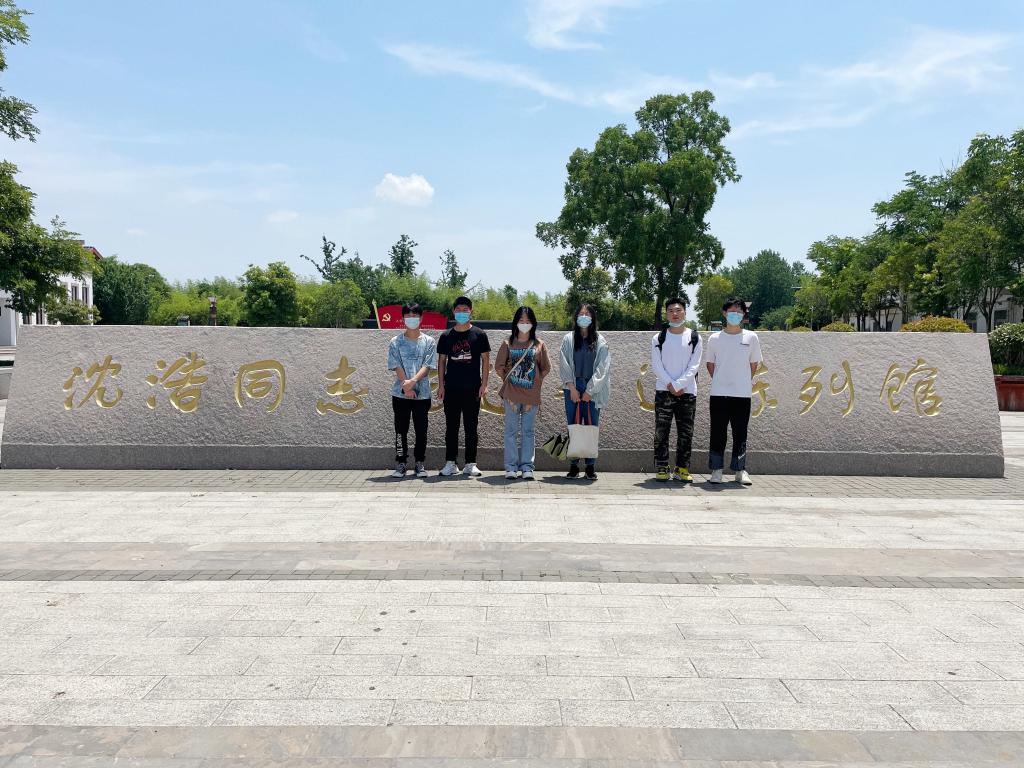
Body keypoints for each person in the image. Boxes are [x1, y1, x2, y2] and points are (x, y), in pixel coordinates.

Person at [704, 297, 762, 485]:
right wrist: (722, 380)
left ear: (744, 314)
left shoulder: (751, 337)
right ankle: (717, 470)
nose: (735, 315)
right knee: (717, 432)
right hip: (719, 393)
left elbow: (753, 365)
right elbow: (710, 365)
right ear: (724, 313)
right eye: (731, 311)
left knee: (740, 433)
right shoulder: (714, 339)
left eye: (739, 312)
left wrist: (741, 381)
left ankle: (740, 470)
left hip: (742, 394)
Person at [494, 306, 551, 480]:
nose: (524, 323)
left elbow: (545, 368)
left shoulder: (539, 344)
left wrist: (534, 384)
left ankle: (527, 467)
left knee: (528, 432)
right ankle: (510, 467)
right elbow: (499, 367)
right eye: (521, 320)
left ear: (533, 323)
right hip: (511, 396)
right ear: (515, 322)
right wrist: (510, 386)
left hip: (531, 398)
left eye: (528, 321)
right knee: (510, 431)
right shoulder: (508, 343)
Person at [436, 296, 491, 477]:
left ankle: (470, 463)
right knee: (451, 427)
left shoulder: (479, 334)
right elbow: (442, 361)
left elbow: (485, 360)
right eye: (458, 310)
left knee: (471, 427)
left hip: (472, 388)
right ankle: (450, 463)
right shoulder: (446, 336)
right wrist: (441, 385)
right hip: (451, 388)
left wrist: (484, 384)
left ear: (470, 311)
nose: (461, 313)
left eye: (465, 310)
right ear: (453, 312)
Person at [651, 297, 702, 483]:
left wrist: (679, 384)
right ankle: (662, 467)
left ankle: (682, 468)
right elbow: (656, 365)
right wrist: (670, 384)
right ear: (666, 314)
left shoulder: (695, 337)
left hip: (687, 392)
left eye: (678, 310)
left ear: (685, 313)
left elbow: (694, 365)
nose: (675, 313)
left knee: (686, 433)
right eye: (671, 310)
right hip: (664, 391)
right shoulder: (658, 338)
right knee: (661, 431)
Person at [558, 303, 610, 480]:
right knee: (573, 424)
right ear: (576, 317)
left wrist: (590, 391)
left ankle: (590, 466)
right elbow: (564, 363)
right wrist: (571, 388)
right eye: (581, 314)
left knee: (591, 425)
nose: (584, 317)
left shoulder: (600, 340)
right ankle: (573, 465)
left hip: (593, 388)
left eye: (587, 314)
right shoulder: (568, 339)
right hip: (572, 387)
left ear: (593, 318)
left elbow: (603, 368)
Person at [386, 303, 437, 478]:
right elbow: (396, 365)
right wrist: (406, 386)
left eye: (415, 316)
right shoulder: (395, 341)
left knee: (421, 430)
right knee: (400, 431)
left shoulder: (429, 341)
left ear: (421, 318)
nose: (411, 319)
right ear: (403, 319)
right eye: (408, 316)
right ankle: (401, 463)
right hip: (400, 394)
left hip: (422, 394)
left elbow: (428, 366)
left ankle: (419, 463)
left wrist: (413, 382)